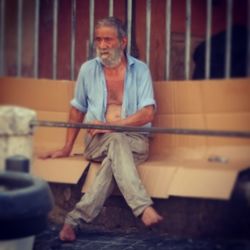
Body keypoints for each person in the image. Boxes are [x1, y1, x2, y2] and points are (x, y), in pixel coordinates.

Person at [41, 16, 163, 242]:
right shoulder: (88, 70)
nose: (103, 45)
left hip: (136, 141)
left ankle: (73, 221)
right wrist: (67, 146)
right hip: (96, 142)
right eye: (99, 40)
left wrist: (111, 126)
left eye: (108, 39)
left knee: (114, 156)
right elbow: (77, 109)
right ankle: (143, 207)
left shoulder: (140, 71)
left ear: (123, 42)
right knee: (116, 140)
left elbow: (147, 113)